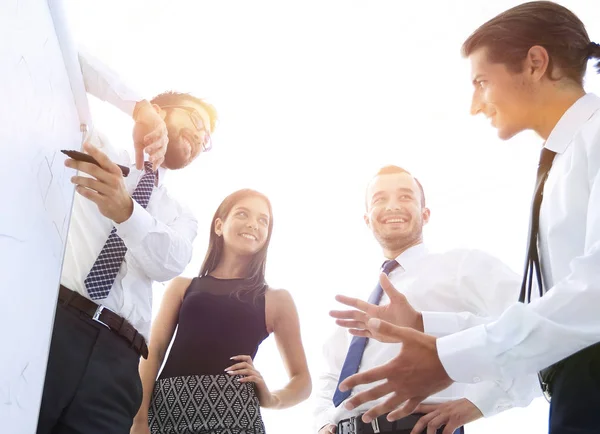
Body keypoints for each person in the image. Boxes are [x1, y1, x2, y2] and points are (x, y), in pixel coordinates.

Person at [334, 3, 600, 434]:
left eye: (481, 82)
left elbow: (594, 296)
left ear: (535, 63)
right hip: (574, 388)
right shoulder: (558, 163)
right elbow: (544, 311)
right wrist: (428, 327)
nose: (476, 104)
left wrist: (447, 358)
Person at [37, 88, 218, 434]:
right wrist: (136, 106)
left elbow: (170, 262)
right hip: (53, 328)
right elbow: (68, 52)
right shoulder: (96, 148)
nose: (200, 136)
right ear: (162, 111)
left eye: (206, 138)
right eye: (196, 120)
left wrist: (127, 212)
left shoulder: (181, 215)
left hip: (118, 363)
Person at [315, 166, 538, 434]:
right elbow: (332, 374)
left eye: (406, 197)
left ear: (425, 213)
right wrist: (323, 422)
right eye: (380, 199)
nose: (393, 206)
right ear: (367, 219)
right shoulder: (362, 300)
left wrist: (480, 402)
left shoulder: (462, 266)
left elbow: (537, 326)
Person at [130, 189, 312, 434]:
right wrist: (139, 419)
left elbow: (302, 381)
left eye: (263, 220)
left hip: (235, 416)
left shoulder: (276, 299)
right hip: (166, 410)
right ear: (219, 225)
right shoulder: (182, 287)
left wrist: (271, 398)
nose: (252, 224)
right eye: (242, 214)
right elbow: (154, 352)